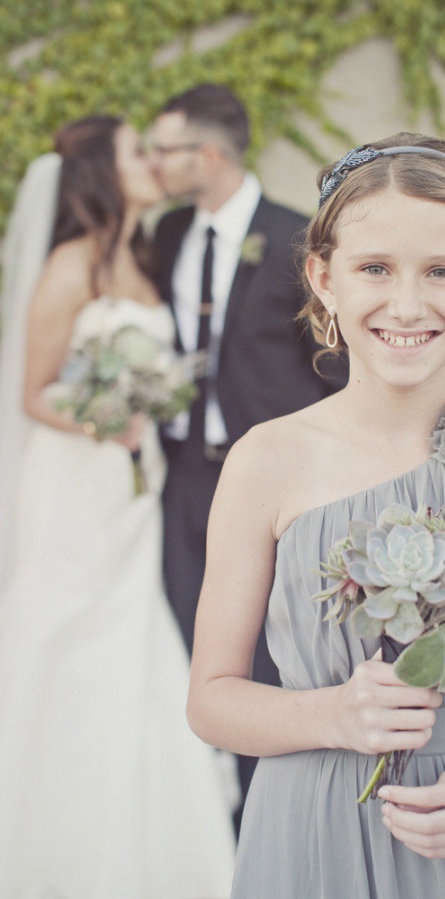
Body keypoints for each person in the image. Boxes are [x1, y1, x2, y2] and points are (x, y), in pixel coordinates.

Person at [186, 131, 445, 898]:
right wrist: (334, 714)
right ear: (322, 278)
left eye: (442, 271)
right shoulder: (265, 461)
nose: (407, 304)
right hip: (311, 837)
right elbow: (212, 697)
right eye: (375, 268)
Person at [0, 116, 237, 898]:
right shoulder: (70, 263)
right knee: (64, 633)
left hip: (135, 493)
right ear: (104, 169)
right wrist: (114, 417)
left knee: (135, 643)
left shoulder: (143, 254)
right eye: (139, 151)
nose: (153, 162)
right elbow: (32, 394)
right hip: (75, 485)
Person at [148, 83, 346, 827]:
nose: (152, 163)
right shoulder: (166, 235)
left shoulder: (301, 241)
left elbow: (338, 369)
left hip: (275, 489)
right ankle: (200, 815)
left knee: (268, 651)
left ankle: (267, 819)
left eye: (162, 150)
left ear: (207, 154)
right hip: (187, 482)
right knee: (187, 645)